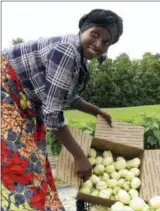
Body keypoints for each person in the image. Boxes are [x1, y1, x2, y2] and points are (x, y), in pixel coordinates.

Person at [1, 8, 123, 211]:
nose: (99, 44)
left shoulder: (80, 56)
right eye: (95, 34)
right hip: (5, 93)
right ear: (83, 29)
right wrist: (79, 156)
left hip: (23, 101)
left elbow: (68, 95)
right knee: (20, 165)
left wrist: (96, 111)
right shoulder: (67, 51)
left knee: (35, 161)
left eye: (106, 42)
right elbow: (52, 114)